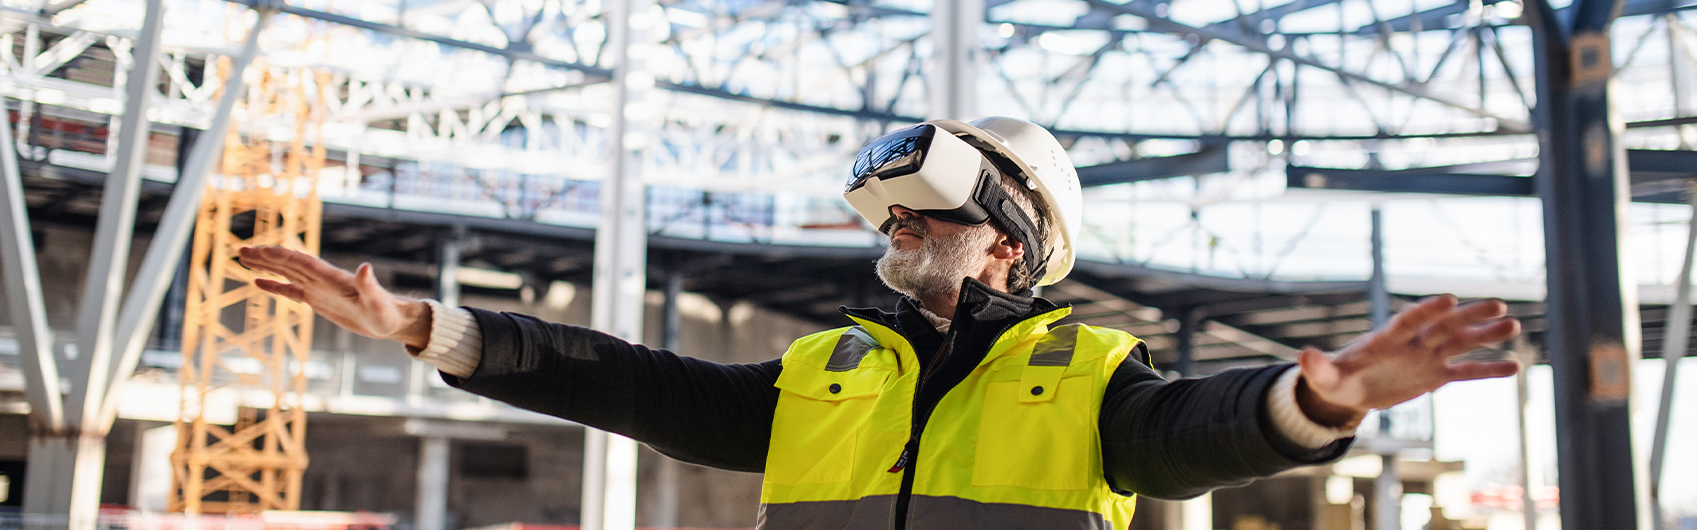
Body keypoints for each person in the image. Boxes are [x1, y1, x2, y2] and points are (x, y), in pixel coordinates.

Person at [238, 117, 1522, 530]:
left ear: (1006, 243)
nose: (894, 231)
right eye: (889, 217)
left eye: (925, 215)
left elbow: (1191, 431)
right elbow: (628, 381)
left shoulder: (1091, 373)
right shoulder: (819, 367)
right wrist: (429, 327)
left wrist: (1322, 400)